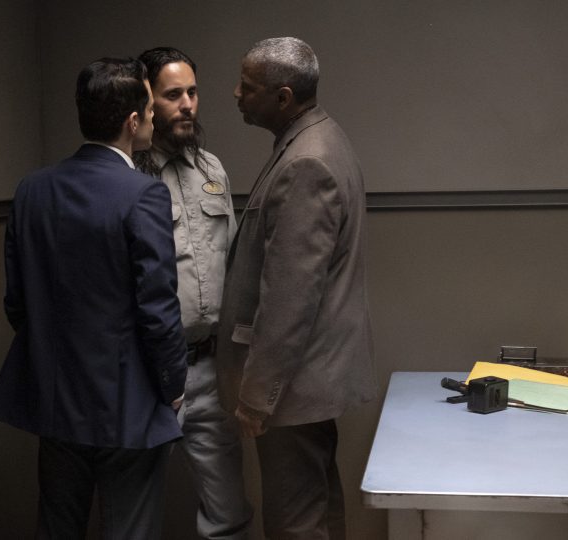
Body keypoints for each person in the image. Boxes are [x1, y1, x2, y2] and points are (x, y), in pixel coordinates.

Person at [0, 57, 188, 539]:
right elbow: (158, 309)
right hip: (128, 402)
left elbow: (17, 301)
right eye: (149, 110)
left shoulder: (32, 189)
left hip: (55, 396)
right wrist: (173, 385)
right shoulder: (143, 194)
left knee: (58, 526)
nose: (154, 118)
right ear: (133, 121)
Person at [217, 37, 376, 539]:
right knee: (317, 510)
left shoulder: (306, 161)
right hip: (310, 378)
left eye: (248, 87)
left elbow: (289, 298)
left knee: (294, 522)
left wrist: (257, 397)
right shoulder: (320, 138)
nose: (237, 94)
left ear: (283, 97)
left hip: (292, 386)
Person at [134, 47, 253, 540]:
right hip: (145, 375)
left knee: (229, 515)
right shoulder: (128, 177)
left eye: (192, 92)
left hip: (208, 368)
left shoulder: (211, 170)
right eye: (172, 95)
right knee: (133, 514)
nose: (187, 104)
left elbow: (232, 264)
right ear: (145, 101)